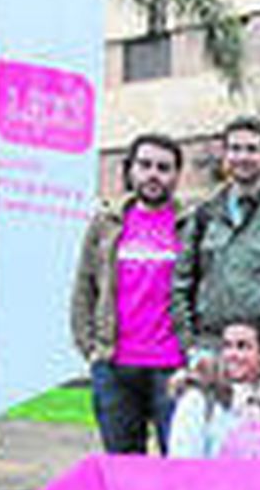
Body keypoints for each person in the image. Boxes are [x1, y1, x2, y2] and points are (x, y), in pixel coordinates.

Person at [71, 133, 188, 454]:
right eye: (145, 165)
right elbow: (84, 288)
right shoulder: (105, 224)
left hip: (173, 367)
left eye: (163, 168)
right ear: (131, 170)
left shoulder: (191, 225)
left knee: (179, 464)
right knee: (123, 468)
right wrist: (93, 351)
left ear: (177, 176)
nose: (153, 174)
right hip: (115, 367)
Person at [171, 116, 260, 367]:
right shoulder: (204, 216)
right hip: (210, 350)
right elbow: (181, 284)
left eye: (252, 149)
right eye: (235, 149)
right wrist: (190, 342)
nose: (243, 157)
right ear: (224, 155)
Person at [168, 318, 260, 459]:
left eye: (243, 346)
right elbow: (182, 461)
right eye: (227, 346)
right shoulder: (198, 402)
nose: (232, 355)